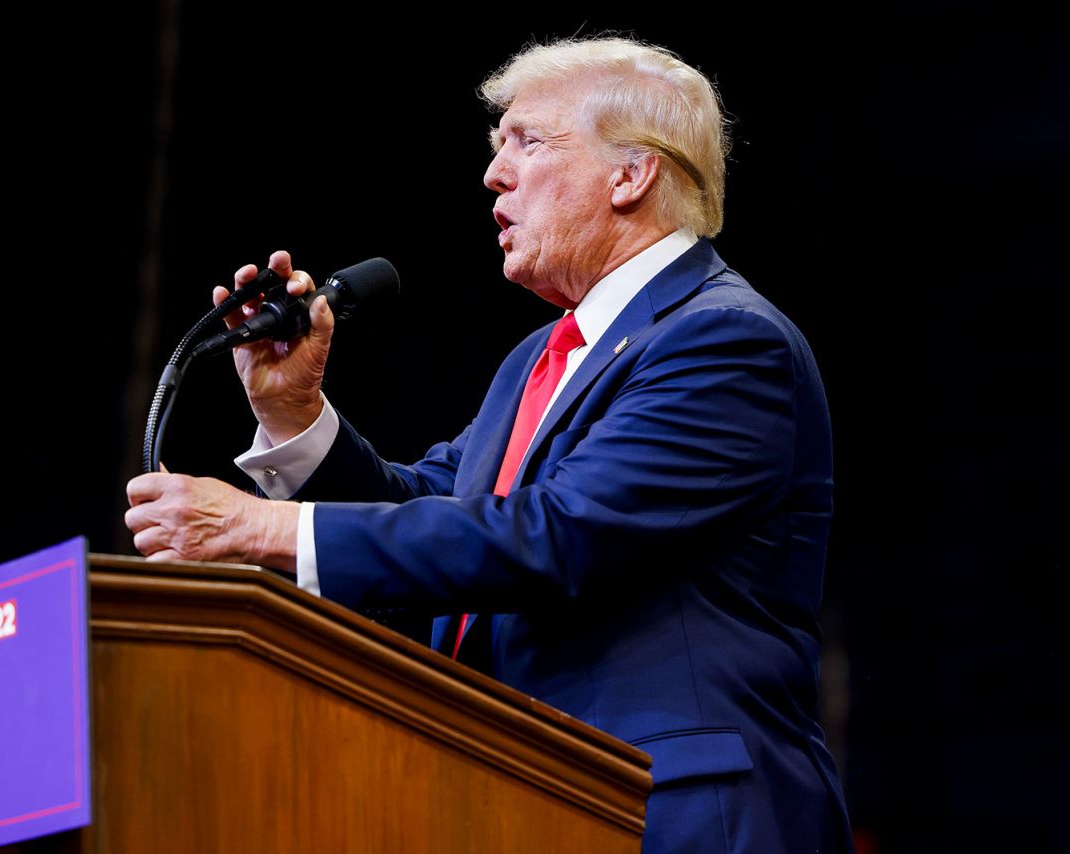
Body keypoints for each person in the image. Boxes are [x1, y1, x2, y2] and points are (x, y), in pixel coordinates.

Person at [126, 36, 853, 853]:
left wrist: (261, 531)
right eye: (495, 146)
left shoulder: (724, 341)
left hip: (672, 814)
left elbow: (558, 534)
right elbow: (435, 521)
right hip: (518, 802)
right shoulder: (535, 365)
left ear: (631, 174)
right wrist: (296, 417)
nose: (494, 174)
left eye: (527, 142)